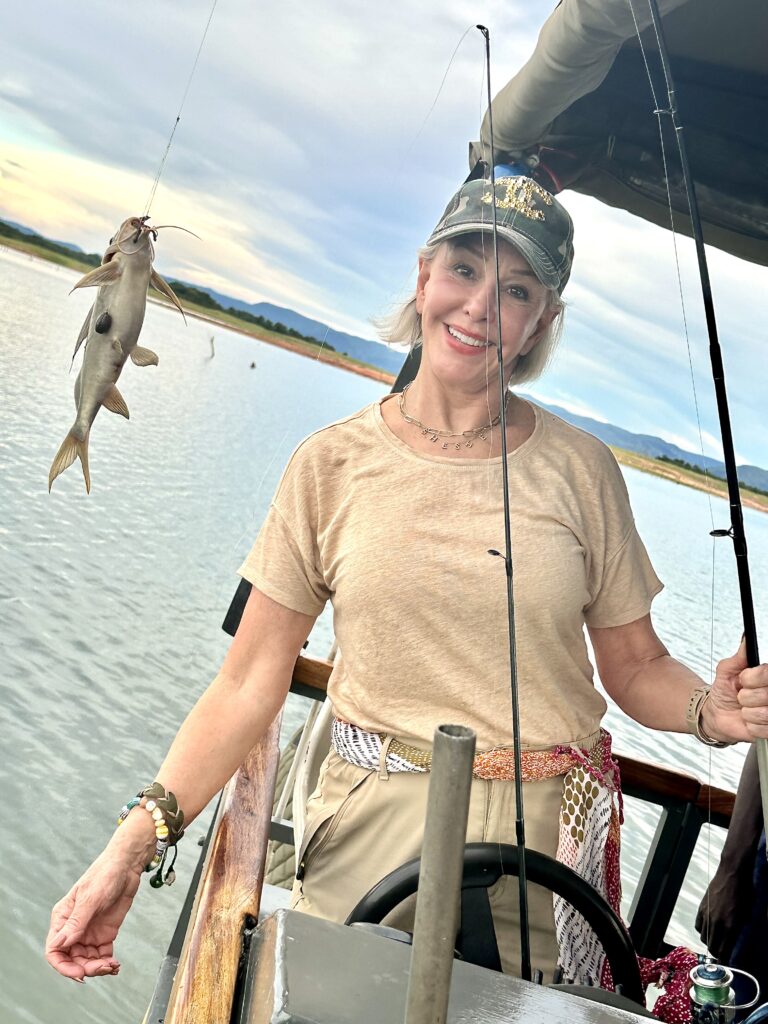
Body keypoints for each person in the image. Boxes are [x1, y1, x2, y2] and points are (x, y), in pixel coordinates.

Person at [46, 176, 768, 986]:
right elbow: (249, 682)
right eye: (464, 270)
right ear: (424, 278)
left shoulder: (585, 471)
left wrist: (713, 710)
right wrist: (133, 843)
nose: (481, 307)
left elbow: (634, 668)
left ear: (542, 324)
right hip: (371, 814)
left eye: (517, 289)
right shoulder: (328, 464)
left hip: (547, 841)